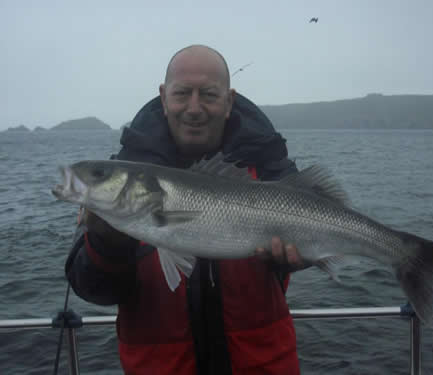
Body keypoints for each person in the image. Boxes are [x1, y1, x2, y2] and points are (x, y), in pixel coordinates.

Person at [66, 44, 308, 375]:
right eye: (182, 94)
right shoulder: (124, 178)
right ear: (164, 97)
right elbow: (92, 290)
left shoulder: (269, 170)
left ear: (229, 101)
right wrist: (108, 242)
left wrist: (304, 256)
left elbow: (317, 238)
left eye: (208, 94)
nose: (194, 108)